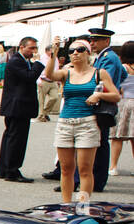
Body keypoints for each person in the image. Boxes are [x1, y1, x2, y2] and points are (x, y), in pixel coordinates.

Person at [42, 38, 122, 203]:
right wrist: (54, 54)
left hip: (88, 123)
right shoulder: (66, 72)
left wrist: (99, 94)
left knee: (85, 170)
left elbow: (116, 95)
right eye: (71, 51)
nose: (75, 54)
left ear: (88, 53)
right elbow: (49, 75)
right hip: (65, 123)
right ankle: (66, 205)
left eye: (79, 50)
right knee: (66, 169)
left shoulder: (99, 73)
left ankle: (83, 206)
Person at [0, 35, 43, 183]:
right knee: (16, 140)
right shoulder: (17, 61)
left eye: (35, 48)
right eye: (31, 48)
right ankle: (11, 170)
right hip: (17, 107)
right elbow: (29, 77)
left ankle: (5, 169)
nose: (34, 51)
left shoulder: (21, 61)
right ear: (21, 47)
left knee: (11, 138)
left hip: (17, 107)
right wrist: (38, 63)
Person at [90, 27, 127, 185]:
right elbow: (123, 75)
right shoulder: (105, 56)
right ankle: (97, 177)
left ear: (106, 41)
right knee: (100, 140)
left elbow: (105, 80)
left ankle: (98, 179)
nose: (92, 43)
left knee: (100, 141)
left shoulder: (108, 57)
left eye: (96, 40)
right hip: (103, 101)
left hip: (103, 102)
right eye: (91, 40)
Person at [110, 42, 134, 175]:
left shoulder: (123, 68)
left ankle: (113, 166)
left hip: (123, 102)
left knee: (117, 137)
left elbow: (117, 84)